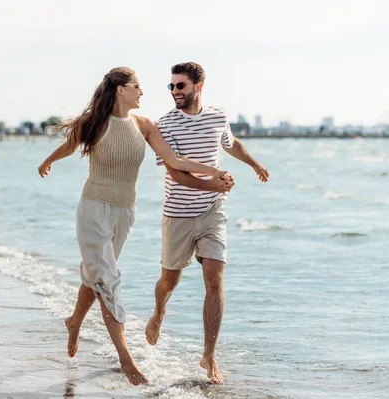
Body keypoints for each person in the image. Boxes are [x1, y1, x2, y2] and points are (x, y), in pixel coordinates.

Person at [37, 67, 233, 386]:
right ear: (120, 90)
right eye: (137, 87)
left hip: (125, 212)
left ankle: (74, 321)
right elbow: (70, 145)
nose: (143, 92)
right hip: (93, 209)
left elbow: (176, 160)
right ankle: (127, 360)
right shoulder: (94, 123)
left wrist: (213, 172)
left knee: (97, 274)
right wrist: (48, 161)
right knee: (108, 278)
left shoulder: (143, 125)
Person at [144, 62, 270, 384]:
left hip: (213, 211)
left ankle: (209, 354)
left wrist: (254, 163)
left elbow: (231, 144)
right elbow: (175, 172)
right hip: (178, 214)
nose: (175, 92)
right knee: (169, 282)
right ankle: (159, 312)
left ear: (198, 86)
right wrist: (212, 183)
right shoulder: (165, 124)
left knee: (214, 279)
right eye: (171, 87)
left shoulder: (218, 116)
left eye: (181, 86)